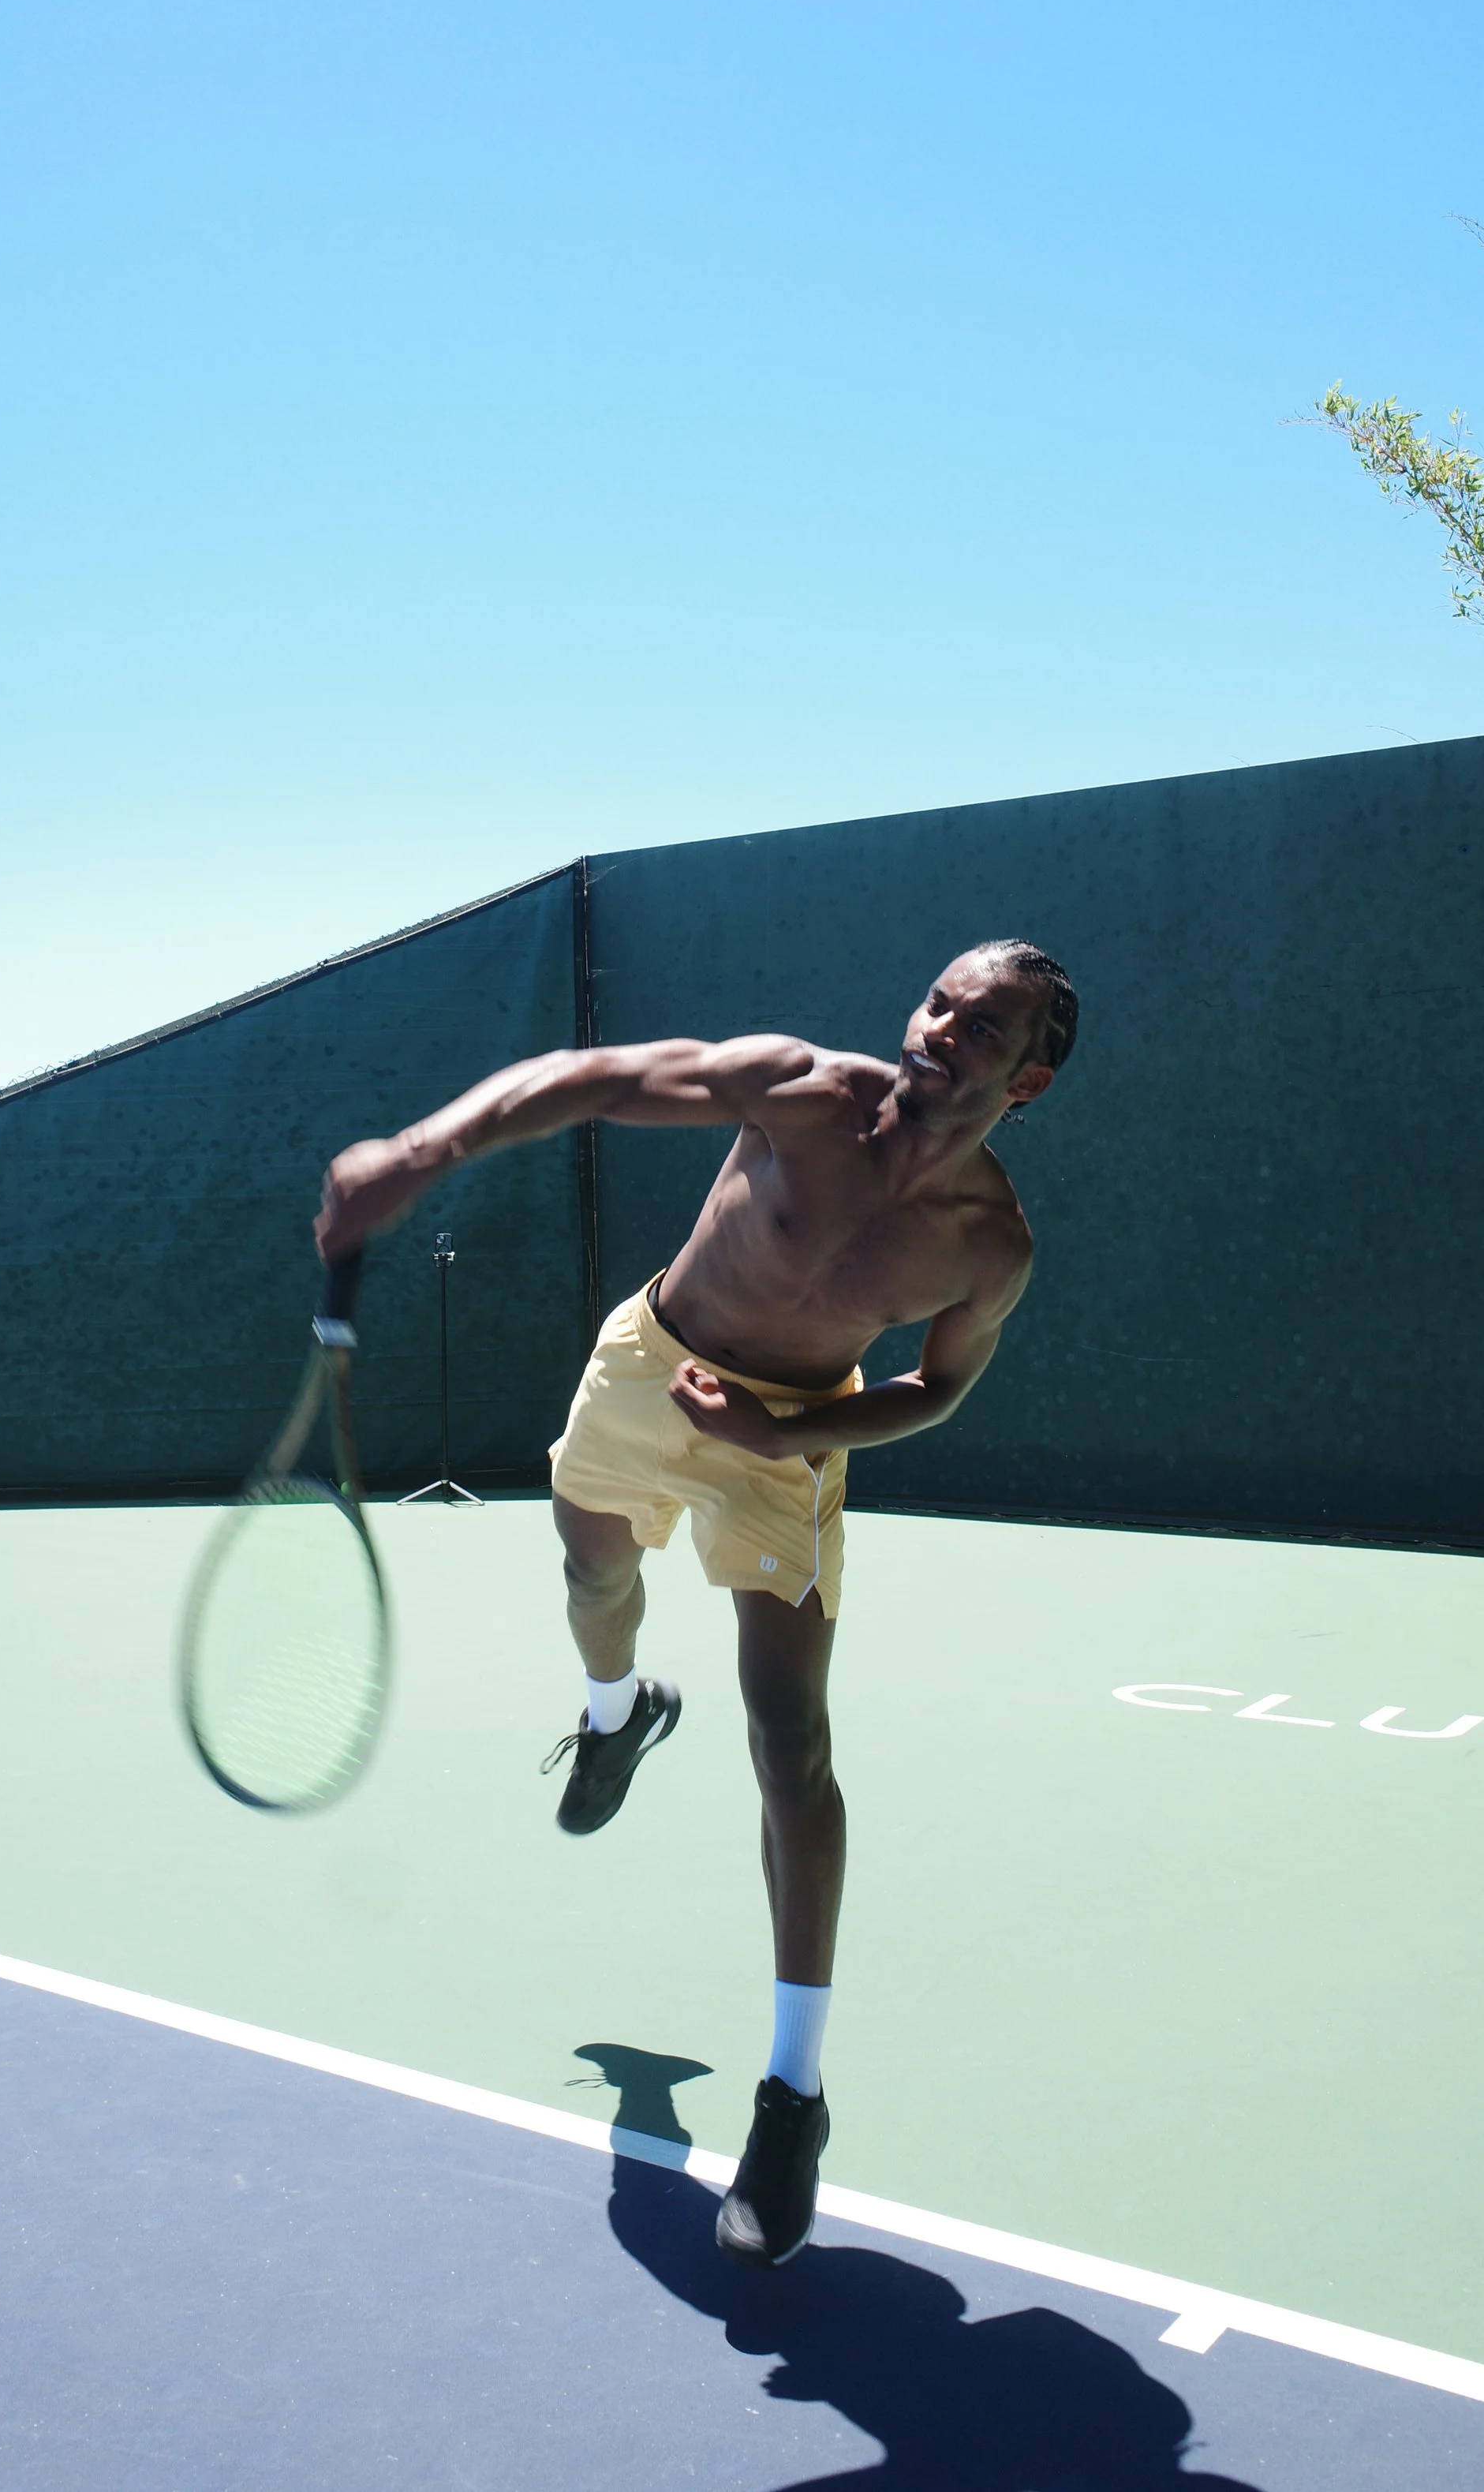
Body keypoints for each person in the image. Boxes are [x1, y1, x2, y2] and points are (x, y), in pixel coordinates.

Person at [316, 937, 1078, 2269]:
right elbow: (599, 1077)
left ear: (1032, 1078)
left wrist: (791, 1438)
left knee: (793, 1741)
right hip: (647, 1369)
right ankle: (615, 1712)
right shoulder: (798, 1092)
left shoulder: (990, 1242)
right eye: (939, 999)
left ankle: (793, 2093)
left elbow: (941, 1387)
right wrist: (421, 1152)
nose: (942, 1027)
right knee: (593, 1573)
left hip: (791, 1435)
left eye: (984, 1025)